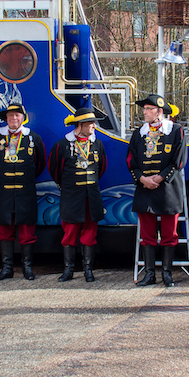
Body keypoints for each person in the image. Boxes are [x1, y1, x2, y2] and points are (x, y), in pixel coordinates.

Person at [127, 94, 187, 287]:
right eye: (144, 109)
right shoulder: (139, 133)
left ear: (159, 111)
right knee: (147, 236)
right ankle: (150, 274)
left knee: (169, 235)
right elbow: (131, 160)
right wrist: (142, 179)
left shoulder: (175, 131)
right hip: (145, 190)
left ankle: (167, 274)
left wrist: (160, 177)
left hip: (168, 189)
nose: (144, 112)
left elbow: (179, 160)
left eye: (149, 109)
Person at [0, 102, 46, 282]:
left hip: (25, 194)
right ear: (6, 118)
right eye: (10, 115)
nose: (13, 118)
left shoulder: (33, 138)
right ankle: (7, 268)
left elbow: (40, 164)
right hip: (3, 193)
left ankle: (27, 267)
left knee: (27, 232)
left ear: (22, 118)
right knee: (4, 231)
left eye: (17, 115)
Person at [48, 105, 107, 283]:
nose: (94, 126)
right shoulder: (62, 146)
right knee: (70, 234)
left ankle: (88, 270)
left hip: (91, 198)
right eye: (90, 123)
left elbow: (101, 168)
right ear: (79, 125)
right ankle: (68, 270)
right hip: (71, 198)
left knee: (90, 233)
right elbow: (54, 169)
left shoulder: (97, 144)